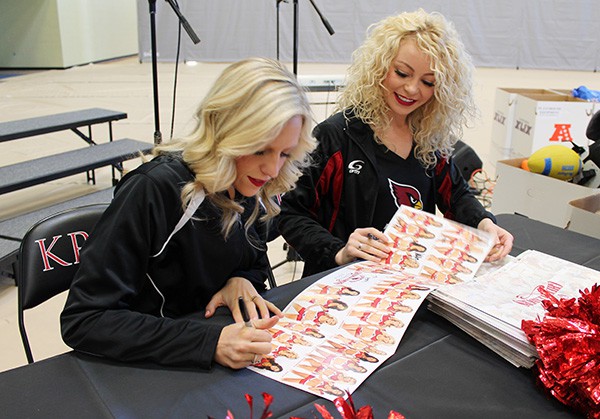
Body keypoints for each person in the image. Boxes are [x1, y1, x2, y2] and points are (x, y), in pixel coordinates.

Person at [60, 58, 316, 370]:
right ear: (224, 132)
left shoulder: (253, 182)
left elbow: (255, 259)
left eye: (285, 153)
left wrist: (241, 277)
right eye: (260, 149)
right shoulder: (154, 190)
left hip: (216, 341)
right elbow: (85, 319)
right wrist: (209, 343)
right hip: (155, 361)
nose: (272, 168)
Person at [277, 9, 514, 277]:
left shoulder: (429, 138)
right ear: (379, 67)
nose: (412, 89)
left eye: (428, 82)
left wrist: (484, 224)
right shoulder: (335, 137)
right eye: (402, 73)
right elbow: (291, 214)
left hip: (409, 283)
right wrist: (339, 250)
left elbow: (456, 195)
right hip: (342, 285)